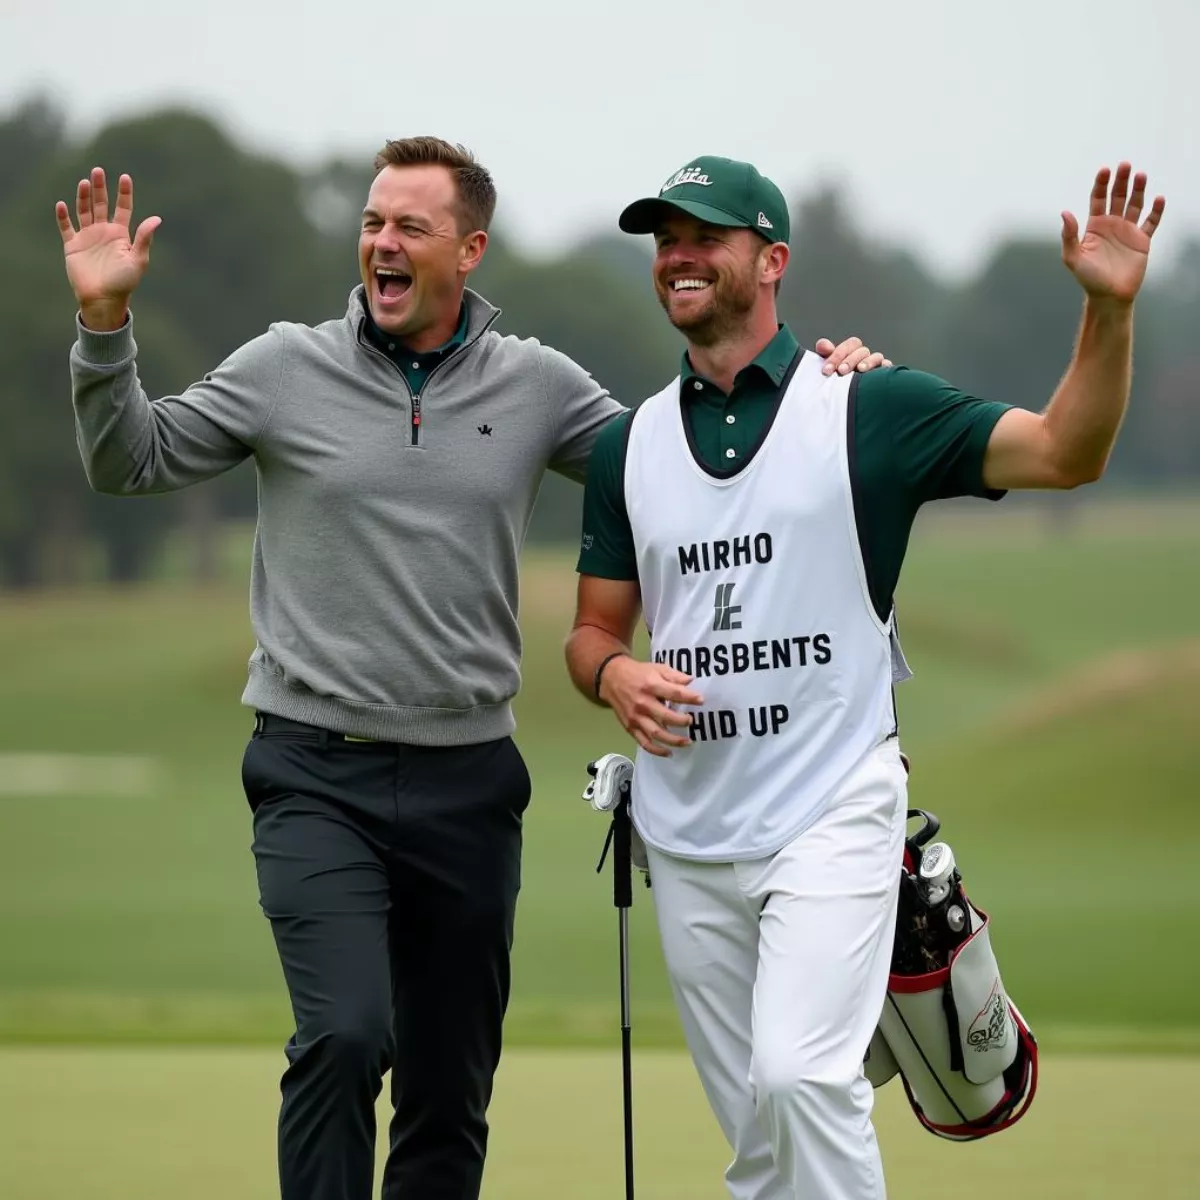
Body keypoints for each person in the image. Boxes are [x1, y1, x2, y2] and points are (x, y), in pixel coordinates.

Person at [54, 136, 887, 1200]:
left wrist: (821, 389)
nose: (382, 244)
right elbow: (129, 459)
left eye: (409, 227)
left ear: (470, 249)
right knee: (346, 1036)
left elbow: (684, 462)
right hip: (315, 773)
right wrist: (104, 324)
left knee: (449, 1092)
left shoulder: (534, 385)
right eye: (371, 224)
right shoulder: (282, 367)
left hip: (468, 784)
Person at [564, 154, 1164, 1200]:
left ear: (772, 259)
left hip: (831, 808)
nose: (679, 256)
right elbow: (590, 631)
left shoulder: (868, 406)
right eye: (665, 239)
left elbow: (1066, 451)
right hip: (686, 831)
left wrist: (1106, 316)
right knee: (756, 1139)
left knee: (803, 1079)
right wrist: (613, 672)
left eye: (705, 235)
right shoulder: (628, 446)